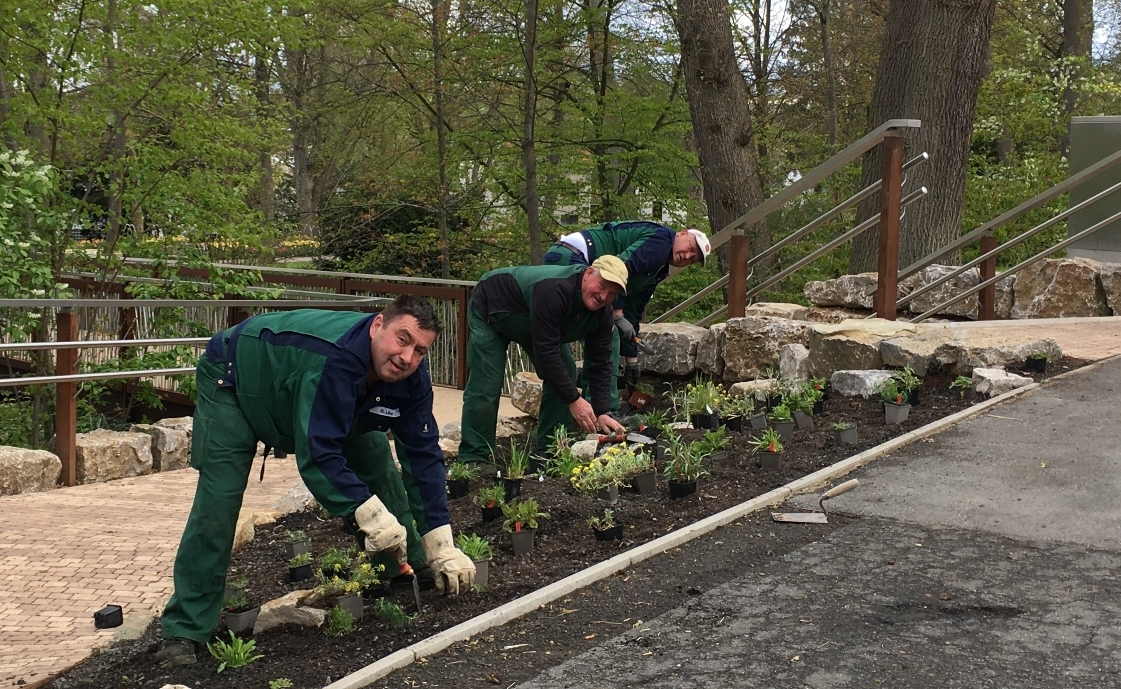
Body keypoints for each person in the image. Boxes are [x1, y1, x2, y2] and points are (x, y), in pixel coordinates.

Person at [156, 297, 477, 666]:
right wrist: (368, 515)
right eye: (401, 339)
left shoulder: (410, 380)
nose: (407, 357)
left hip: (330, 394)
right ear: (377, 326)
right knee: (220, 501)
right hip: (236, 378)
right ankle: (185, 628)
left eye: (419, 350)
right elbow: (318, 456)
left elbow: (423, 458)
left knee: (378, 467)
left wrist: (441, 544)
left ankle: (410, 567)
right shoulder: (334, 360)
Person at [459, 255, 628, 467]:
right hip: (493, 307)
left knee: (563, 372)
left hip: (533, 322)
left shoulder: (602, 314)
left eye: (611, 293)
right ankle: (474, 457)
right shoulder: (554, 289)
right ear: (587, 274)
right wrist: (574, 400)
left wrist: (602, 411)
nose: (603, 296)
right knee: (486, 384)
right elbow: (546, 351)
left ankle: (548, 453)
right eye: (602, 286)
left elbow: (601, 363)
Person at [543, 222, 711, 387]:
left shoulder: (659, 269)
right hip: (572, 257)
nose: (688, 256)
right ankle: (603, 408)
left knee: (571, 354)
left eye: (693, 259)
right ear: (682, 233)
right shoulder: (661, 240)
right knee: (606, 334)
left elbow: (633, 309)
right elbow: (619, 270)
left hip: (569, 259)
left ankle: (591, 398)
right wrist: (616, 315)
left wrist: (632, 359)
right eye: (690, 248)